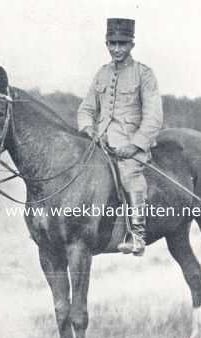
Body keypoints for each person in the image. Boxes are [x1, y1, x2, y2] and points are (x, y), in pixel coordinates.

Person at [78, 18, 163, 256]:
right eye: (112, 43)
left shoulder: (144, 74)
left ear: (131, 45)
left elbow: (154, 117)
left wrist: (135, 145)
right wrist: (88, 129)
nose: (116, 48)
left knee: (130, 174)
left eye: (122, 43)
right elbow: (86, 109)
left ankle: (137, 236)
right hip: (100, 143)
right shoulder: (102, 74)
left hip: (130, 145)